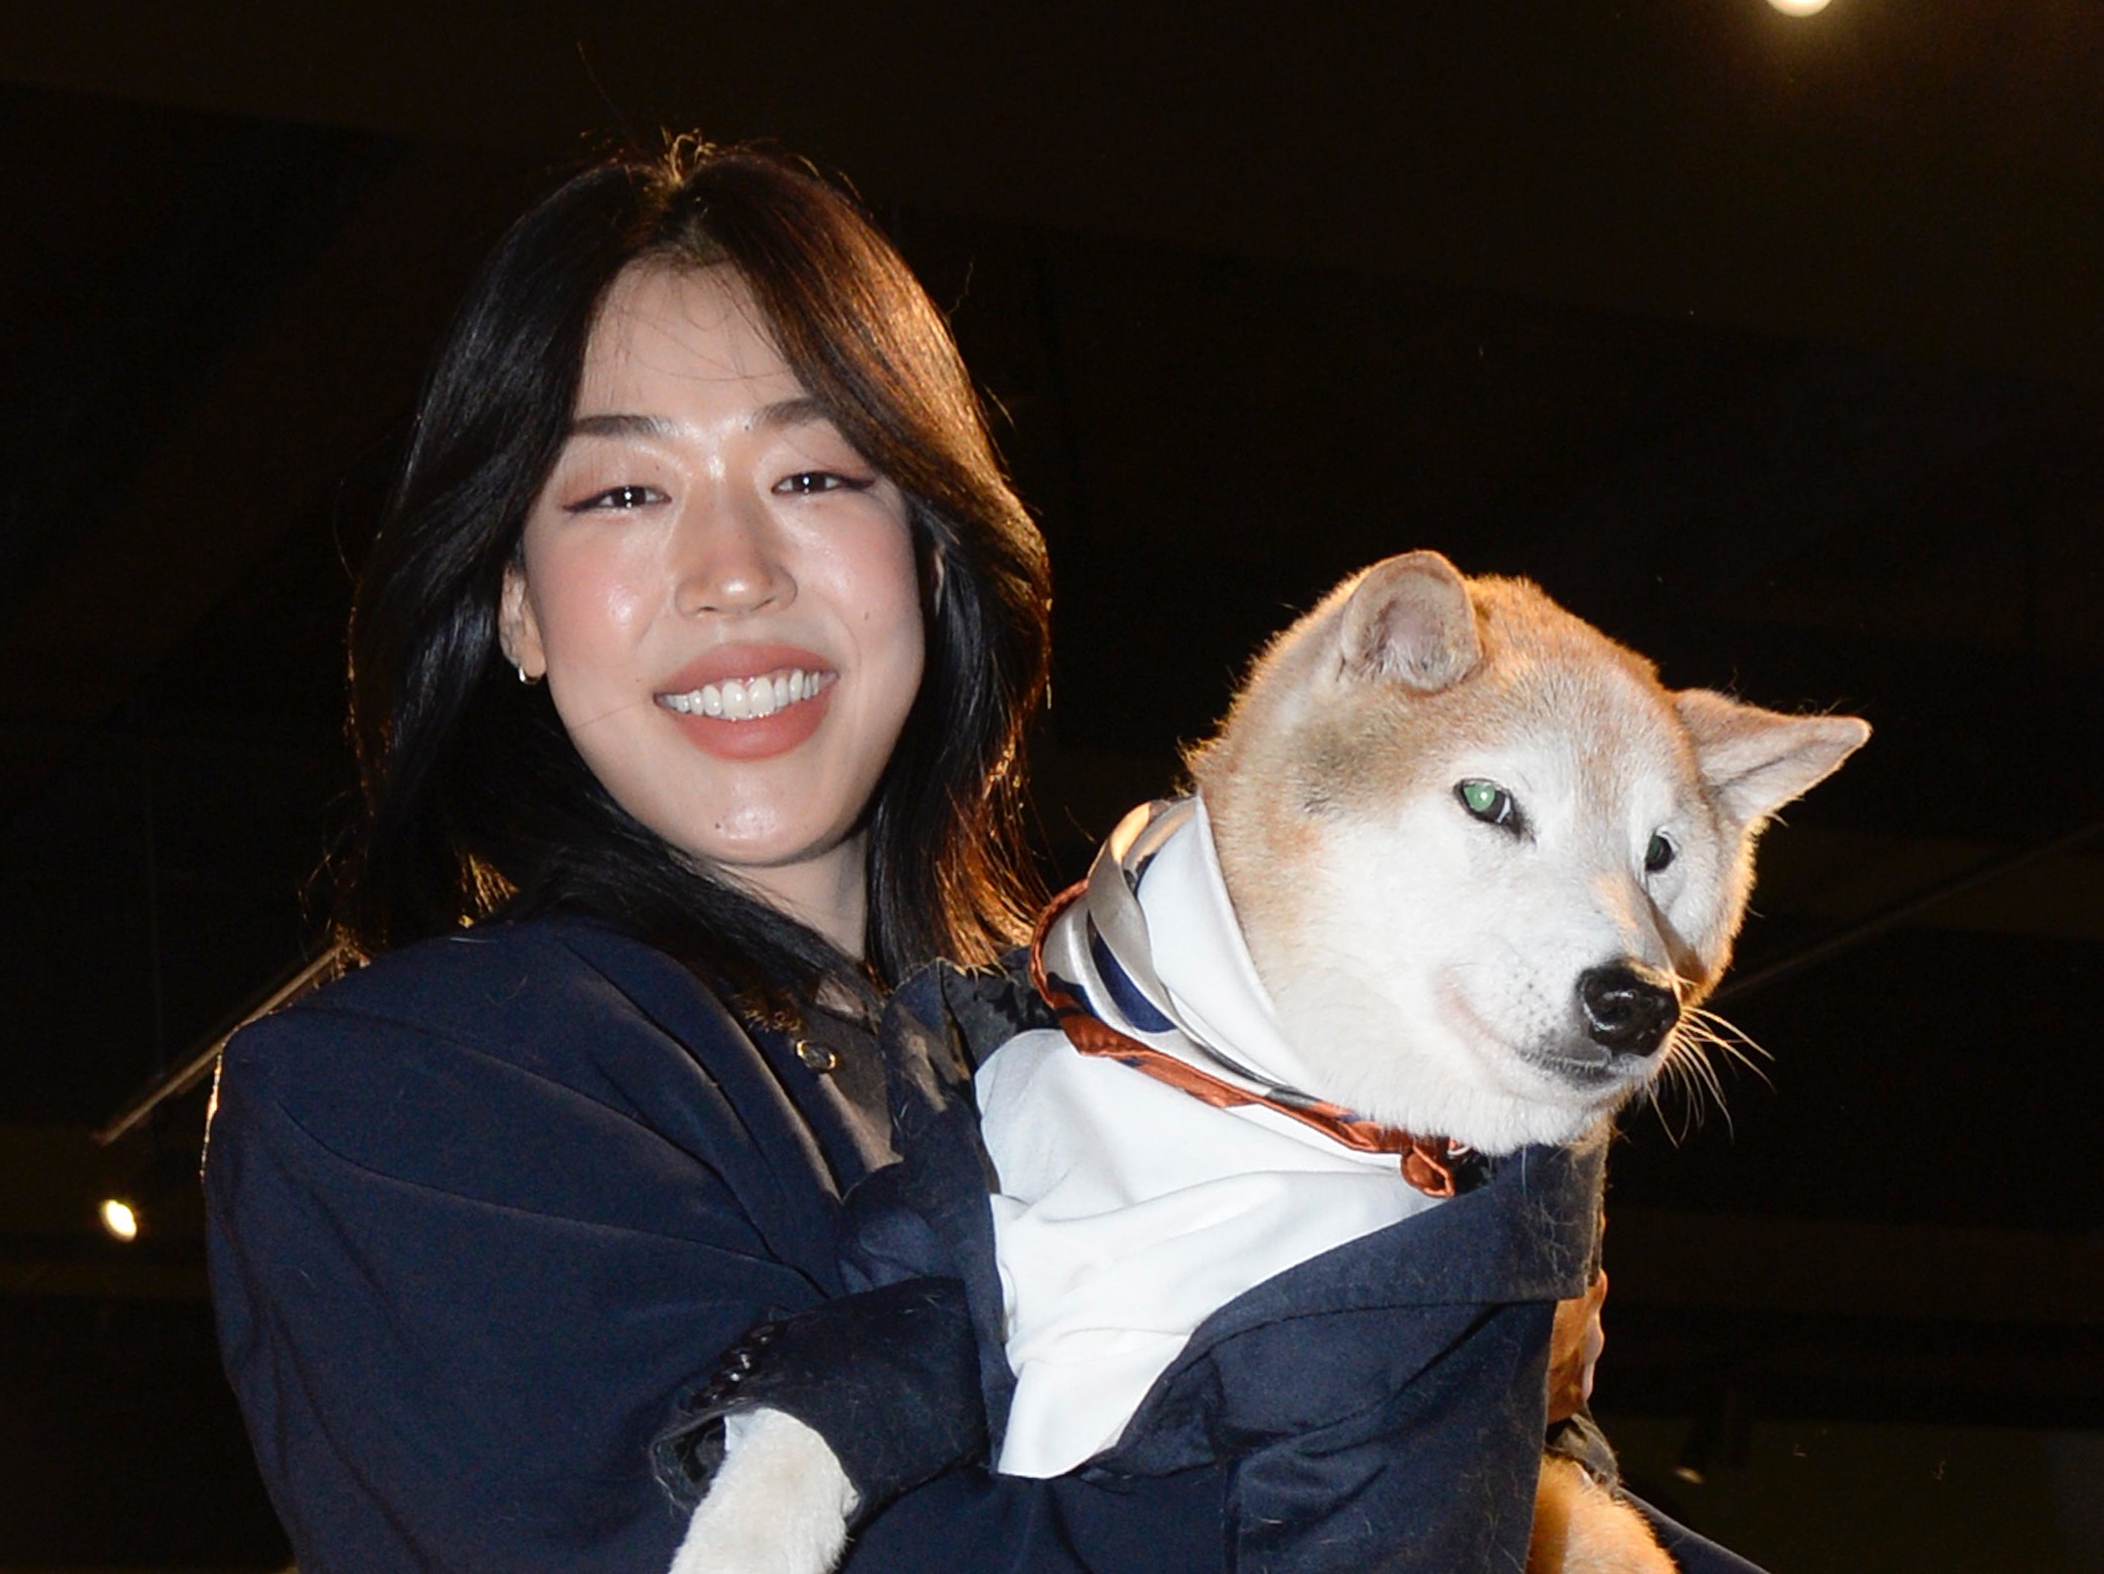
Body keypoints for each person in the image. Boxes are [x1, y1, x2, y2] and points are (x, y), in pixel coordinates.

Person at [201, 141, 1755, 1572]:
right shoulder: (397, 1104)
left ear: (929, 552)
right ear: (518, 605)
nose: (732, 572)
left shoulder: (1082, 1045)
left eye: (813, 477)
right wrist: (1433, 1352)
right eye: (622, 490)